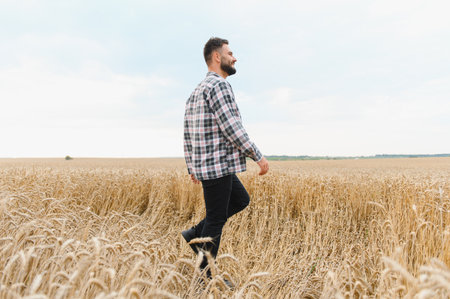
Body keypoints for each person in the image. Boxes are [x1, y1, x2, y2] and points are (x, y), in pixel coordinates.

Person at [182, 37, 269, 282]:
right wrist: (257, 155)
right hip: (218, 166)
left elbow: (187, 131)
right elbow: (232, 127)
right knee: (217, 219)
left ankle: (194, 234)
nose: (235, 57)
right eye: (230, 53)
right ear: (217, 57)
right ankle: (205, 278)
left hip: (214, 166)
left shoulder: (196, 90)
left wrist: (192, 165)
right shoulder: (219, 86)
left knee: (241, 199)